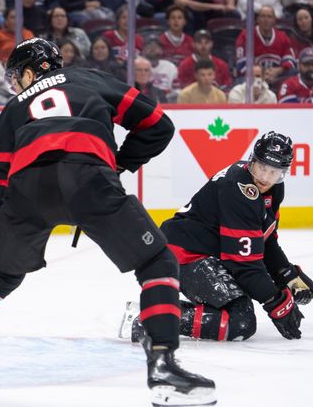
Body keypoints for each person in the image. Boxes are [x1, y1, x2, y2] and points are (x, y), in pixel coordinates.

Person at [0, 37, 216, 407]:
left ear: (29, 71)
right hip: (86, 176)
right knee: (158, 261)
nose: (15, 86)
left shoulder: (13, 108)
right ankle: (164, 365)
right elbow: (158, 125)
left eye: (16, 77)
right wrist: (119, 162)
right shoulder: (89, 79)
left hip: (27, 188)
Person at [124, 132, 309, 343]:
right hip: (183, 255)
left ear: (283, 174)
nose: (264, 177)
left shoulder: (273, 189)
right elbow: (245, 266)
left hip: (198, 252)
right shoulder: (239, 190)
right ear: (252, 160)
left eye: (274, 172)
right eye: (261, 167)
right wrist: (278, 304)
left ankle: (158, 307)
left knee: (235, 309)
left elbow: (264, 240)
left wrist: (288, 275)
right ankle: (153, 318)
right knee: (240, 322)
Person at [235, 5, 296, 83]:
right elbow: (241, 62)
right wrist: (262, 74)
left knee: (294, 73)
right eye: (262, 16)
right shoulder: (246, 35)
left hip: (277, 76)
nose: (266, 20)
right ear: (258, 19)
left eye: (269, 17)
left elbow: (290, 59)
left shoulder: (283, 36)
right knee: (241, 80)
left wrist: (278, 70)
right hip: (254, 78)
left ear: (274, 20)